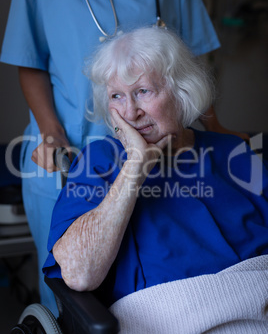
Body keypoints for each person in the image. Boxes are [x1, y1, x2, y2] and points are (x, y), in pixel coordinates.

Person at [43, 27, 268, 308]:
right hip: (177, 320)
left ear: (181, 90)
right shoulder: (99, 160)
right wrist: (136, 166)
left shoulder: (232, 152)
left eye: (143, 91)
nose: (129, 112)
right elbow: (79, 274)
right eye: (116, 97)